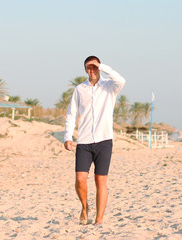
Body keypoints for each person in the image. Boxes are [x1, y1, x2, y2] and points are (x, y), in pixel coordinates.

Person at [64, 56, 125, 225]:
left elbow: (121, 79)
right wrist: (68, 137)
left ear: (98, 67)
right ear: (84, 69)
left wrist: (102, 66)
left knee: (100, 180)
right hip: (84, 140)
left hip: (104, 140)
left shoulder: (110, 87)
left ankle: (99, 219)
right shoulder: (79, 89)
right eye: (88, 67)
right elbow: (71, 114)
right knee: (80, 179)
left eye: (94, 67)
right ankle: (85, 207)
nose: (91, 70)